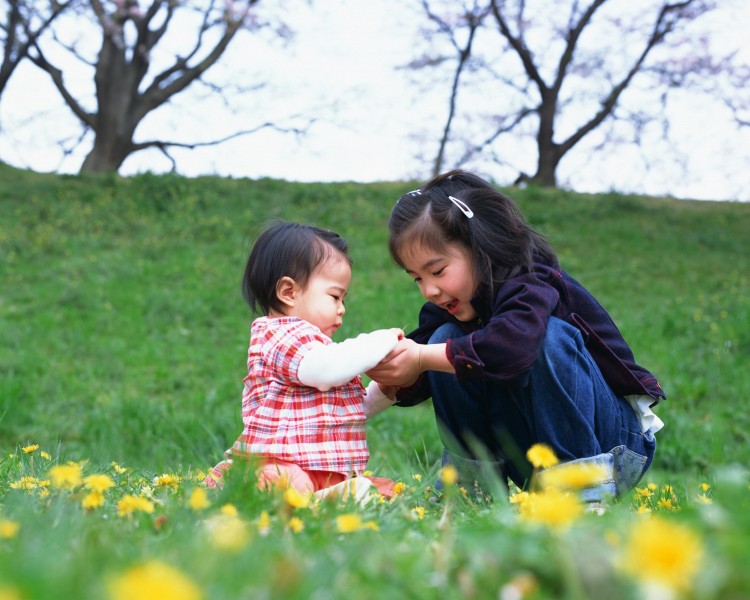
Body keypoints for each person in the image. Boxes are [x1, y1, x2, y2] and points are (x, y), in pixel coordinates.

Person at [366, 169, 665, 502]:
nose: (429, 290)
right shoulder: (448, 309)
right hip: (529, 456)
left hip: (612, 448)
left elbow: (510, 350)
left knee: (546, 338)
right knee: (444, 339)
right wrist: (393, 373)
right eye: (417, 279)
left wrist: (422, 357)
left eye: (437, 271)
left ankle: (581, 498)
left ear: (481, 249)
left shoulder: (533, 282)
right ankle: (470, 492)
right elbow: (421, 373)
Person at [205, 220, 402, 500]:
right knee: (282, 483)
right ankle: (319, 501)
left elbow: (338, 414)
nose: (342, 309)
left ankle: (329, 498)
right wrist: (379, 342)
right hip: (281, 464)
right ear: (288, 292)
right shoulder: (278, 335)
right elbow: (324, 372)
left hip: (320, 470)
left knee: (380, 491)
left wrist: (383, 391)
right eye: (335, 296)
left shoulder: (318, 350)